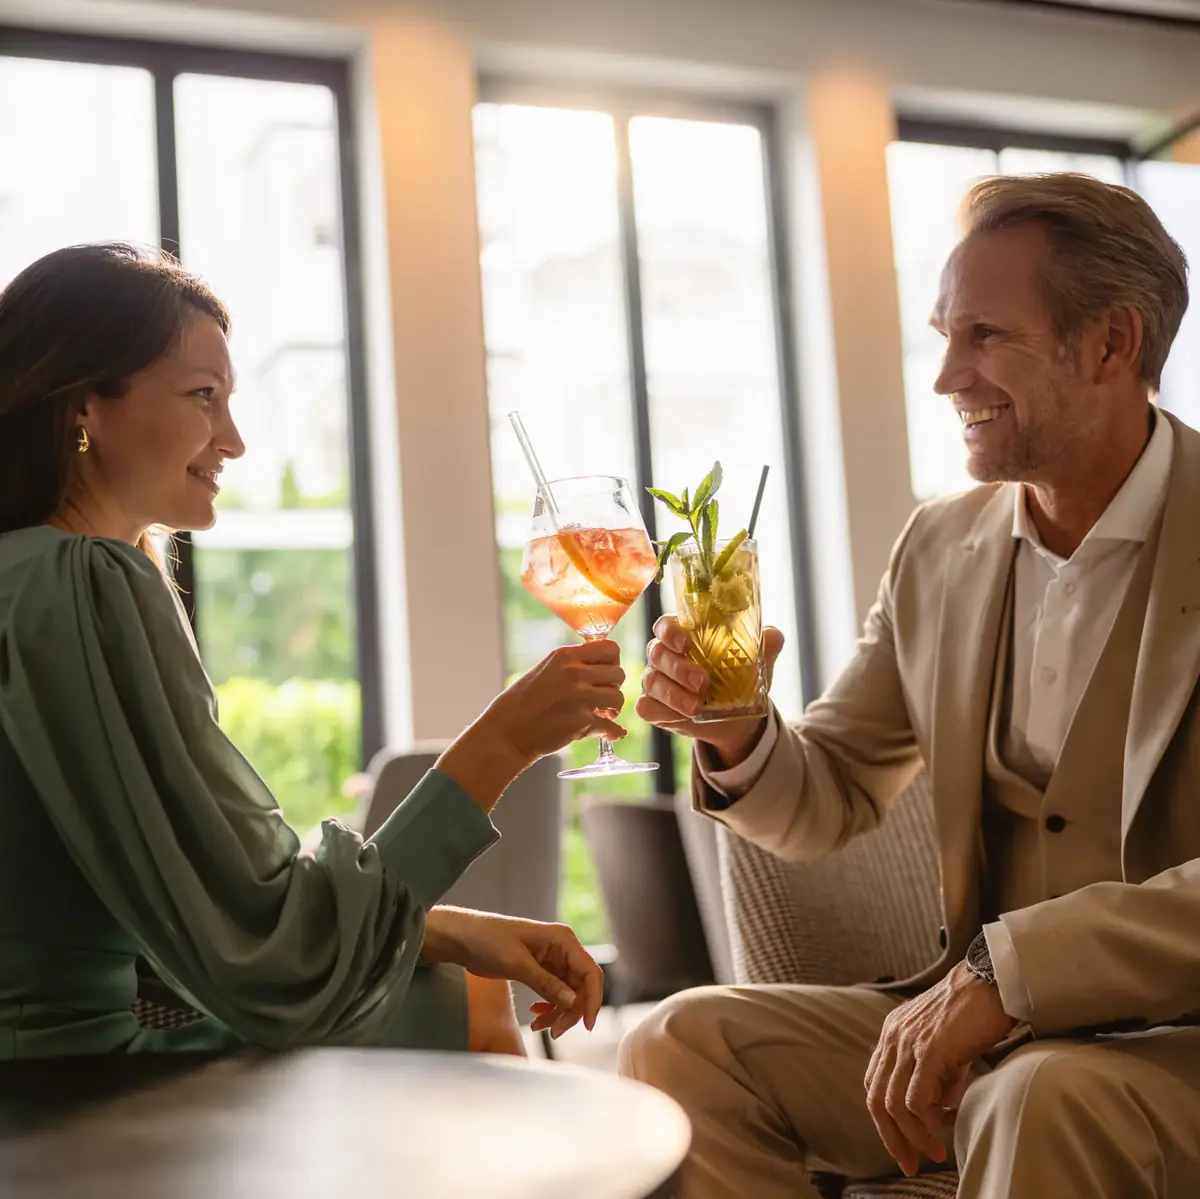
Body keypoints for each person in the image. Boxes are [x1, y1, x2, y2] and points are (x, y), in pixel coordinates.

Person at [622, 173, 1200, 1198]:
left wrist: (1010, 970)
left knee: (1044, 1096)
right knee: (683, 1040)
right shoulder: (941, 545)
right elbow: (834, 788)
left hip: (1176, 1045)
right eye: (944, 333)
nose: (945, 376)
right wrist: (738, 729)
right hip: (983, 1029)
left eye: (984, 335)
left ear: (1112, 343)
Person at [0, 243, 617, 1061]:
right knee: (465, 1009)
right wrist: (507, 738)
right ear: (85, 405)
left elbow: (201, 912)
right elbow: (283, 960)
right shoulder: (84, 583)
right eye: (203, 397)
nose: (234, 440)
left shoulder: (29, 574)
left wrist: (441, 929)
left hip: (63, 1049)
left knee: (461, 979)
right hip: (72, 1076)